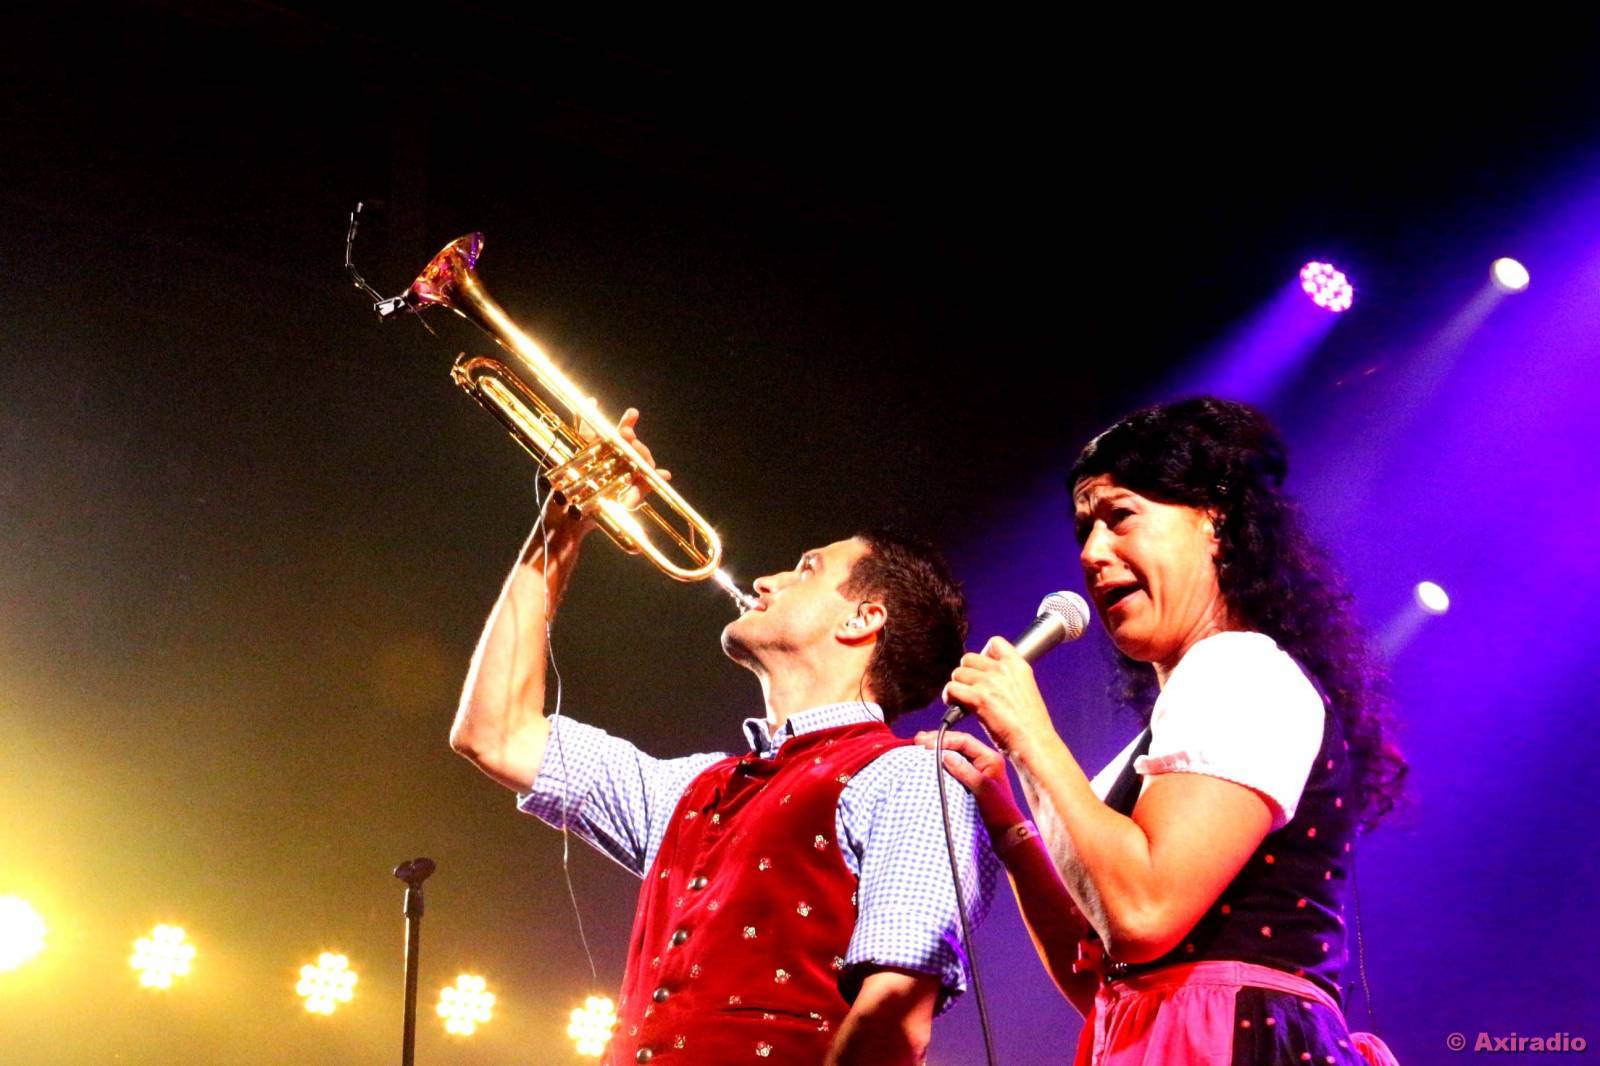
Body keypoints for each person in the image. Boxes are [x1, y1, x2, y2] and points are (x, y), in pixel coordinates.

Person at [450, 409, 996, 1066]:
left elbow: (894, 1024)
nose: (766, 581)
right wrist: (562, 527)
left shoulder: (912, 780)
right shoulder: (690, 787)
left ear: (862, 619)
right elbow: (495, 732)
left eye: (806, 569)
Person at [921, 397, 1406, 1064]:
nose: (1093, 553)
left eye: (1120, 516)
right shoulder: (1169, 727)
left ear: (1216, 520)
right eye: (1084, 531)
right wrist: (1009, 819)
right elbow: (1106, 983)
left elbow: (1143, 913)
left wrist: (1031, 734)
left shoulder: (1244, 670)